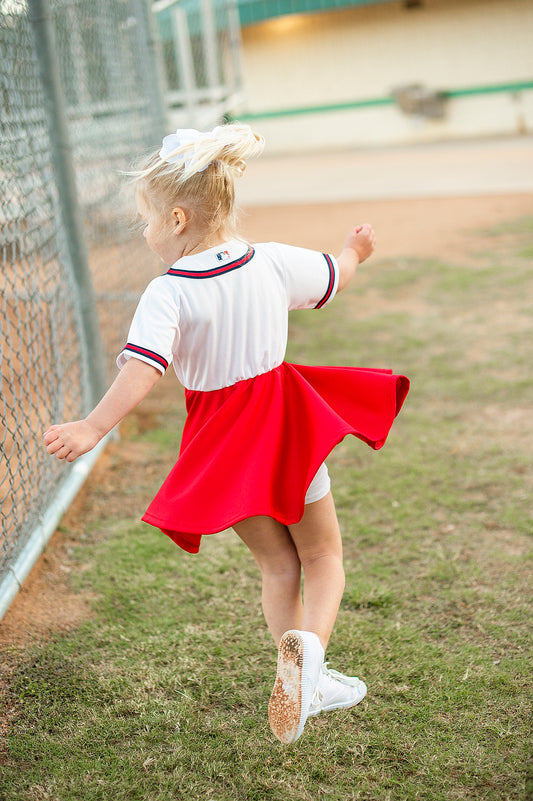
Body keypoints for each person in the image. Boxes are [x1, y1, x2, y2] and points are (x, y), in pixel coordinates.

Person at [44, 123, 409, 745]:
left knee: (277, 565)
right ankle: (311, 664)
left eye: (145, 219)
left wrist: (91, 426)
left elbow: (142, 372)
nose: (144, 230)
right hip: (285, 428)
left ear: (179, 218)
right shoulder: (268, 259)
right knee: (322, 555)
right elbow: (335, 278)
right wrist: (354, 252)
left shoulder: (166, 293)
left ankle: (302, 672)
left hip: (224, 446)